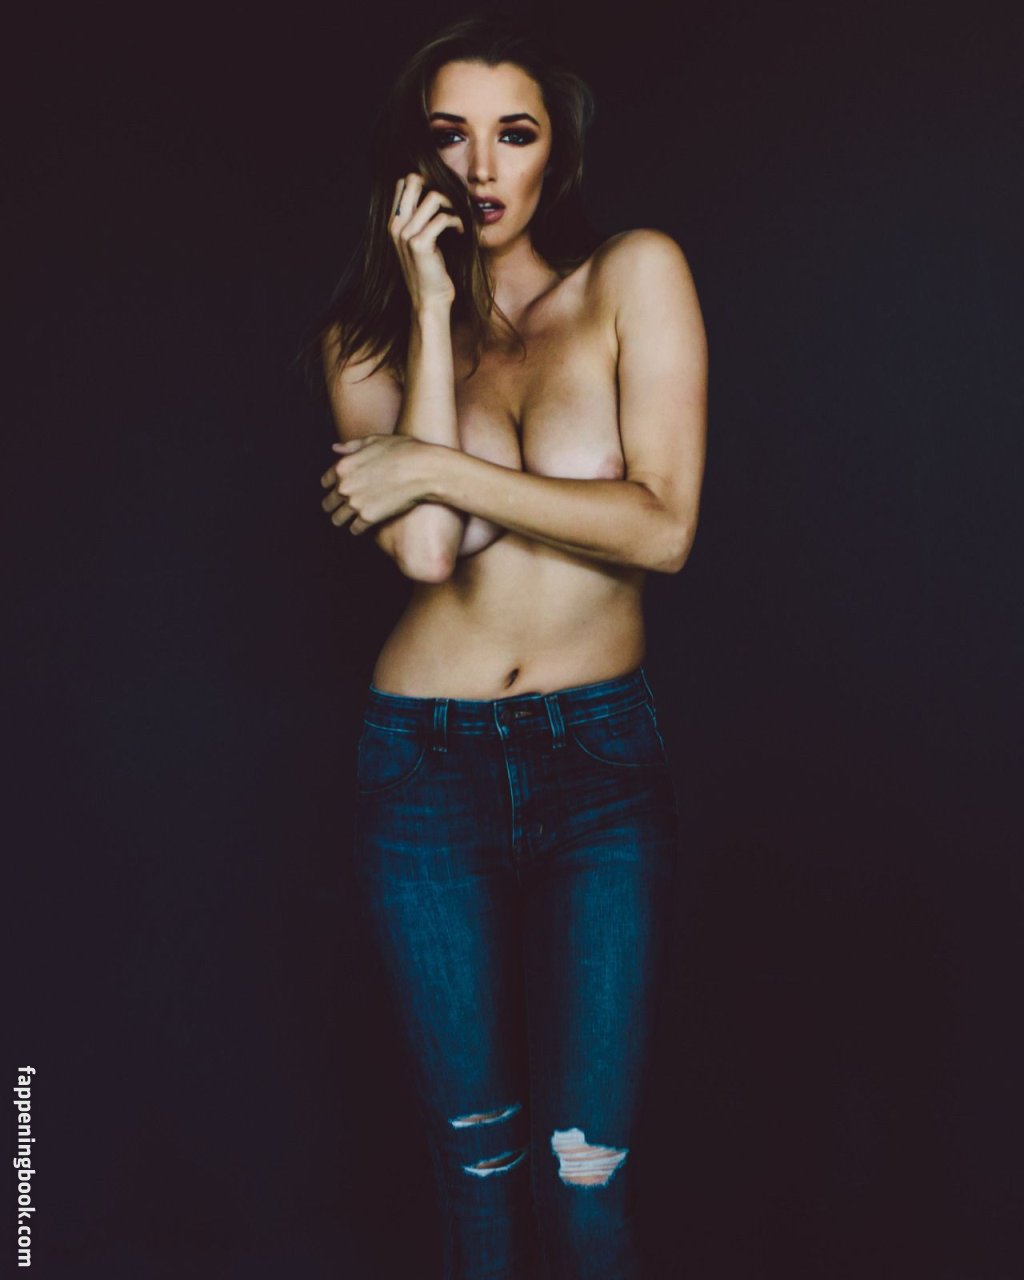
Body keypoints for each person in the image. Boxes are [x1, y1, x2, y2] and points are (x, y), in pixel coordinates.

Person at [304, 12, 707, 1278]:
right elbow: (429, 552)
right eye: (452, 135)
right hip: (422, 766)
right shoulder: (366, 338)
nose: (482, 167)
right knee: (476, 1176)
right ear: (414, 156)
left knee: (588, 1178)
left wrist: (426, 465)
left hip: (600, 764)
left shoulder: (632, 277)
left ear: (555, 153)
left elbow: (662, 527)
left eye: (514, 134)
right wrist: (431, 310)